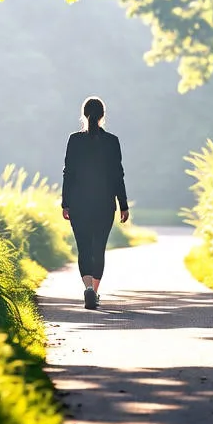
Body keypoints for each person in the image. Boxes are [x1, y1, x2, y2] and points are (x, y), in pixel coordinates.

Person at [61, 97, 129, 310]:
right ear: (102, 116)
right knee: (98, 247)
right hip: (104, 203)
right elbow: (118, 174)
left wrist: (65, 203)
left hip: (79, 202)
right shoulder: (112, 141)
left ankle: (88, 289)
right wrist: (123, 204)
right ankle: (95, 292)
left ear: (84, 114)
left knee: (83, 247)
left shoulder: (74, 140)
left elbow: (68, 173)